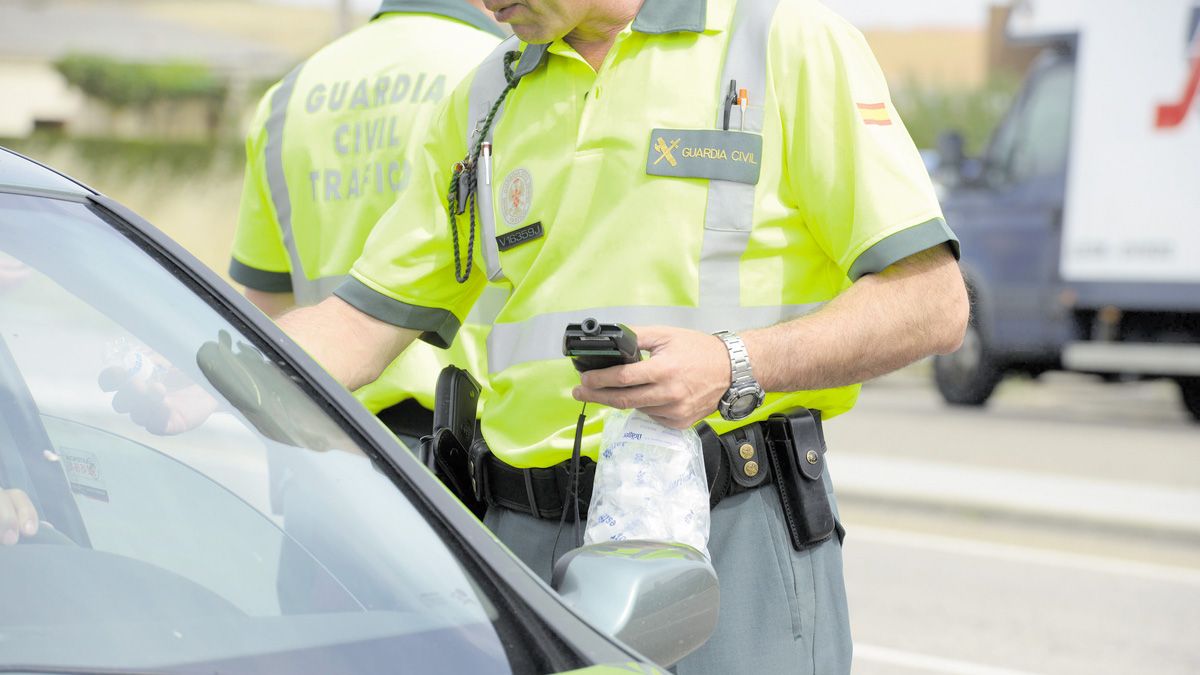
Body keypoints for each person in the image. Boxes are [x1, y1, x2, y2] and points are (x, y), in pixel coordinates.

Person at [126, 0, 969, 671]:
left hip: (727, 532)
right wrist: (205, 367)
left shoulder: (781, 42)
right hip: (527, 545)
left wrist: (733, 362)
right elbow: (361, 320)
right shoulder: (484, 97)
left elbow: (931, 302)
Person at [230, 0, 505, 444]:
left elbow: (267, 308)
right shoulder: (508, 69)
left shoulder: (289, 94)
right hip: (473, 463)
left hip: (315, 442)